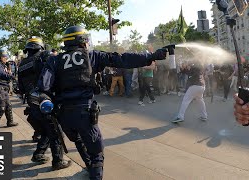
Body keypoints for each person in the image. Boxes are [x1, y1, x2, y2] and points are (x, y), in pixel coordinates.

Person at [37, 26, 167, 180]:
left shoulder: (54, 59)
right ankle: (94, 172)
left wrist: (46, 100)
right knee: (97, 154)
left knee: (78, 140)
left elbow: (43, 88)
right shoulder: (92, 56)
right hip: (85, 113)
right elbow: (123, 59)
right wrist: (150, 56)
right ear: (83, 41)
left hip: (64, 115)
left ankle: (89, 167)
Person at [17, 37, 72, 169]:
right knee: (55, 131)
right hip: (45, 100)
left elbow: (21, 87)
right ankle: (58, 161)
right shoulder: (44, 56)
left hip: (32, 101)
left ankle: (39, 154)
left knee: (47, 130)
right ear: (40, 47)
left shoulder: (22, 63)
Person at [0, 49, 19, 132]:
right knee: (2, 107)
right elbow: (1, 74)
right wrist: (11, 76)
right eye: (4, 57)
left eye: (6, 57)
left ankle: (10, 122)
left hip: (4, 87)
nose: (6, 58)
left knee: (8, 106)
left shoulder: (3, 65)